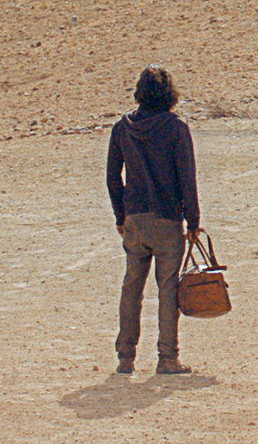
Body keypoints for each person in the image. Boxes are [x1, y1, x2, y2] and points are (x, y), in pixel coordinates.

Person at [107, 65, 203, 376]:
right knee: (167, 289)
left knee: (131, 287)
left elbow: (113, 177)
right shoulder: (176, 128)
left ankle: (125, 358)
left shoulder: (123, 128)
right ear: (169, 94)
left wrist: (121, 215)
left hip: (135, 220)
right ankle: (167, 358)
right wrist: (193, 222)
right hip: (167, 221)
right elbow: (187, 178)